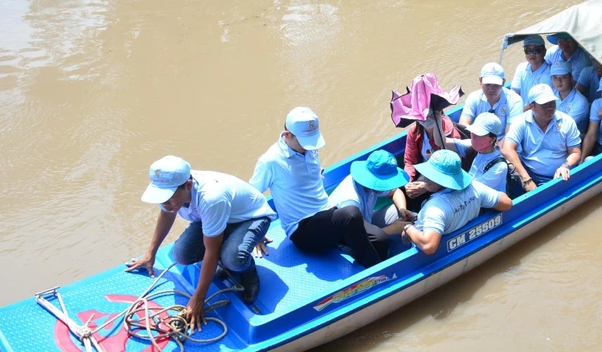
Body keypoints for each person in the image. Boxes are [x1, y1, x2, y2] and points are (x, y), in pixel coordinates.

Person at [126, 156, 276, 329]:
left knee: (233, 259)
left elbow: (211, 252)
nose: (164, 204)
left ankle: (248, 271)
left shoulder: (211, 197)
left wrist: (198, 298)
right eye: (161, 198)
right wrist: (149, 254)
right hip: (218, 218)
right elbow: (166, 215)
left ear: (188, 186)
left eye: (168, 199)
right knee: (181, 255)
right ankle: (229, 244)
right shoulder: (168, 190)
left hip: (250, 217)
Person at [250, 107, 387, 269]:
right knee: (351, 214)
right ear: (287, 135)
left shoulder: (309, 148)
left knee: (381, 238)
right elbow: (250, 196)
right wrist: (255, 234)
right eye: (305, 142)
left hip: (325, 215)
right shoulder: (270, 161)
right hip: (302, 229)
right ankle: (378, 271)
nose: (310, 147)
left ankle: (361, 268)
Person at [400, 150, 513, 255]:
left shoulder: (434, 209)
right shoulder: (475, 188)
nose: (425, 178)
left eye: (431, 175)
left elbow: (429, 246)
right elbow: (507, 203)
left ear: (443, 180)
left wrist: (408, 228)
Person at [327, 149, 414, 261]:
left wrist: (402, 210)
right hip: (345, 244)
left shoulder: (370, 184)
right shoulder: (350, 201)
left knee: (398, 213)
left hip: (365, 224)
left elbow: (395, 192)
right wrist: (392, 229)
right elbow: (358, 238)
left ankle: (399, 257)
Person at [502, 84, 581, 191]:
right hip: (530, 174)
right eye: (544, 104)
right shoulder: (520, 122)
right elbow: (507, 149)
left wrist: (565, 166)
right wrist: (526, 180)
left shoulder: (567, 121)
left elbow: (575, 152)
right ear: (531, 106)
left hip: (560, 176)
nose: (550, 108)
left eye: (552, 103)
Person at [444, 112, 509, 193]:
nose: (473, 136)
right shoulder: (470, 145)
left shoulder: (500, 167)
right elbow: (442, 141)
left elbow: (473, 191)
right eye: (473, 132)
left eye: (479, 134)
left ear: (492, 139)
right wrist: (437, 118)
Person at [459, 62, 523, 133]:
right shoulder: (473, 98)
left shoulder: (515, 101)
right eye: (488, 84)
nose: (491, 89)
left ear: (503, 82)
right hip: (478, 138)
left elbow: (510, 134)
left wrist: (494, 144)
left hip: (503, 141)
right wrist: (479, 139)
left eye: (496, 84)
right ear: (480, 81)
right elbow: (463, 124)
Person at [550, 61, 590, 136]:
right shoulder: (551, 93)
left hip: (571, 139)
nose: (559, 81)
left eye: (563, 77)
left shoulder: (580, 102)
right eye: (555, 77)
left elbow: (564, 127)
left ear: (571, 78)